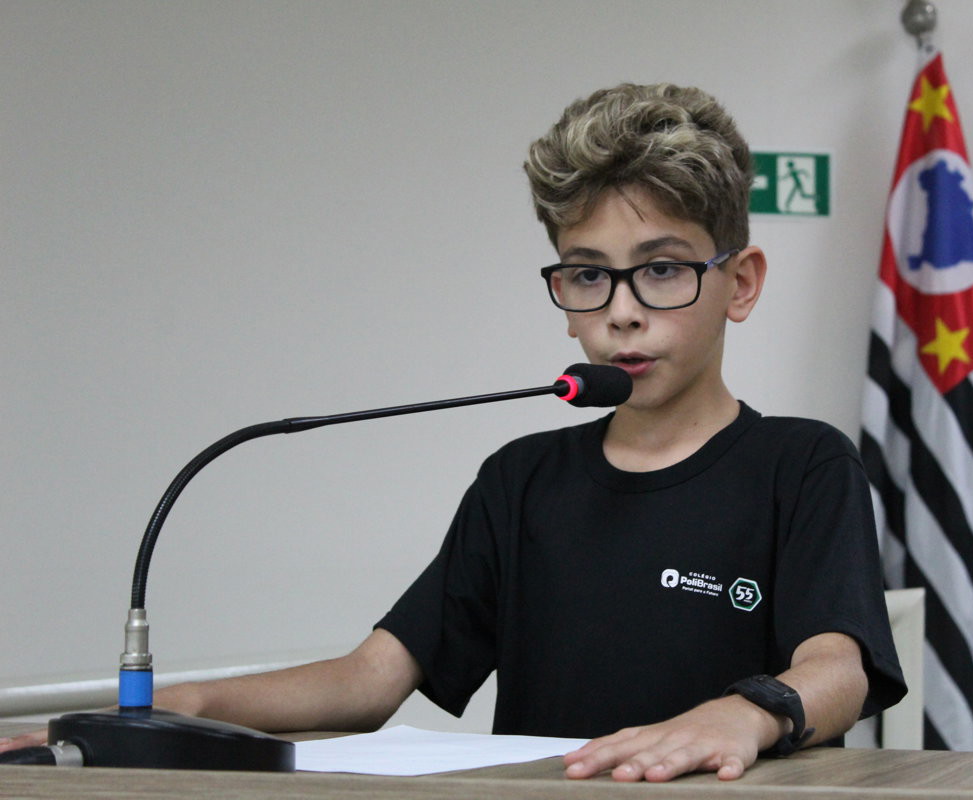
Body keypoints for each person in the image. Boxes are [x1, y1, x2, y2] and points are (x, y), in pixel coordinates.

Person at [0, 83, 905, 782]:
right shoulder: (521, 480)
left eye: (661, 270)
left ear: (739, 282)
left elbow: (840, 664)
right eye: (588, 276)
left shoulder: (803, 464)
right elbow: (369, 682)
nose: (623, 314)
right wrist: (169, 709)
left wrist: (744, 716)